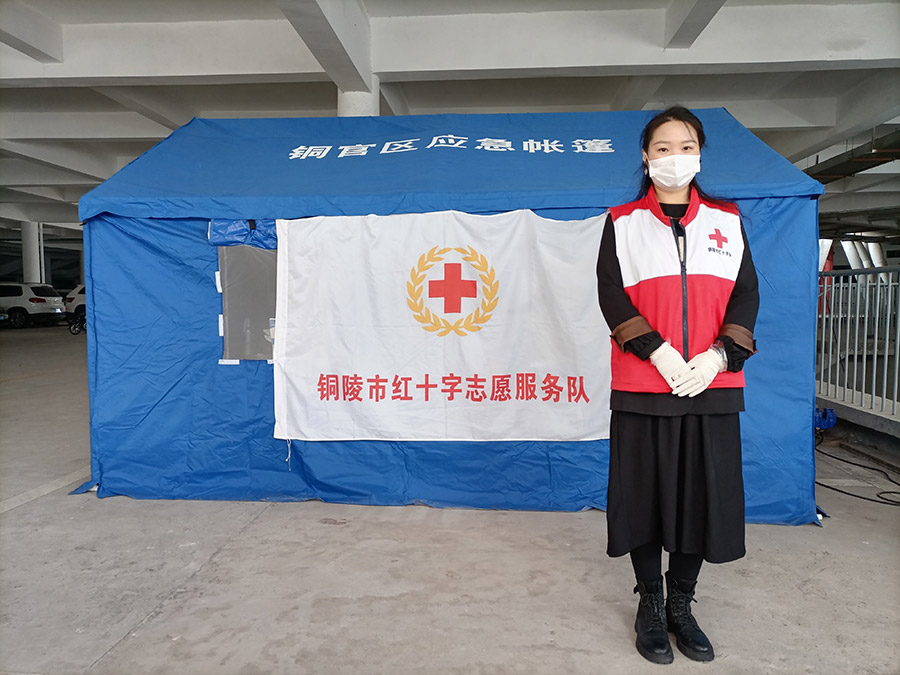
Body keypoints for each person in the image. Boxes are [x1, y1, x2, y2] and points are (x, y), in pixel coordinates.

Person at [596, 106, 759, 665]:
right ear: (646, 157)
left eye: (685, 146)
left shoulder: (727, 221)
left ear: (700, 154)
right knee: (643, 496)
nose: (674, 157)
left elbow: (746, 294)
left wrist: (719, 357)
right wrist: (658, 352)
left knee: (701, 496)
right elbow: (611, 294)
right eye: (662, 148)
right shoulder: (622, 222)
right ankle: (650, 602)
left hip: (710, 385)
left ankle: (681, 605)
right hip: (644, 383)